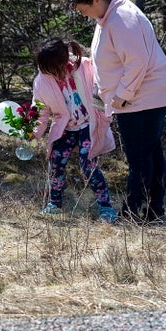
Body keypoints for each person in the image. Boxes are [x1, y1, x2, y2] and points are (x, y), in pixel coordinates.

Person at [69, 0, 166, 224]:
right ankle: (153, 211)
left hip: (144, 97)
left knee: (140, 157)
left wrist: (121, 97)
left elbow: (137, 63)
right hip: (140, 96)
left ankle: (133, 213)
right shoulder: (108, 15)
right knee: (149, 153)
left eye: (81, 6)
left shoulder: (123, 18)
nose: (80, 12)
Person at [32, 37, 118, 222]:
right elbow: (41, 110)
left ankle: (105, 207)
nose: (55, 73)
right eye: (49, 70)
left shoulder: (85, 67)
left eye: (57, 67)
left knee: (88, 163)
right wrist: (34, 131)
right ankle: (54, 204)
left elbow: (102, 90)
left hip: (89, 122)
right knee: (56, 162)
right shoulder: (42, 81)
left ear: (64, 60)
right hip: (65, 127)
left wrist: (106, 115)